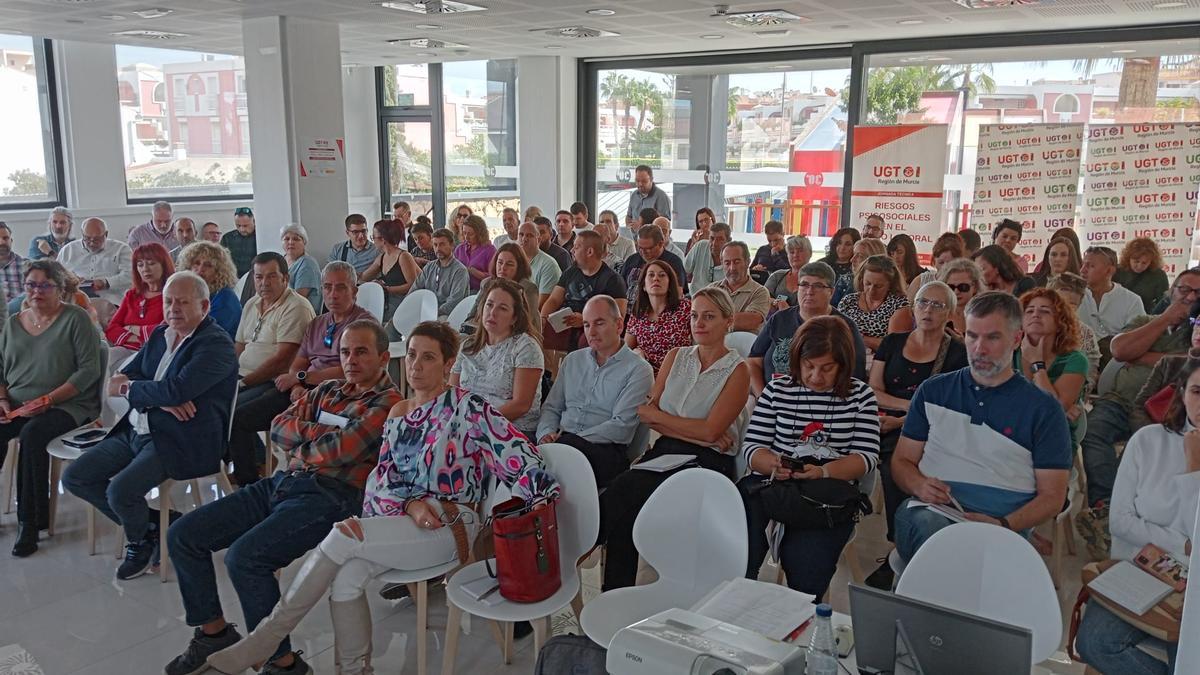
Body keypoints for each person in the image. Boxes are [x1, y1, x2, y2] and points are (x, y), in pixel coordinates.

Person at [203, 321, 557, 675]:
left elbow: (521, 458)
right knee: (346, 579)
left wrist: (534, 504)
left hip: (451, 524)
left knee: (344, 533)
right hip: (402, 522)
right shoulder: (399, 413)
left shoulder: (469, 409)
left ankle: (265, 638)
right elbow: (381, 479)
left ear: (449, 364)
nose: (415, 365)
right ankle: (354, 670)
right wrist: (410, 504)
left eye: (428, 357)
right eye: (413, 355)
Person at [162, 320, 402, 675]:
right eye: (346, 352)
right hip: (284, 482)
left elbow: (343, 449)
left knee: (246, 558)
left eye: (361, 352)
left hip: (331, 496)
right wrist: (318, 437)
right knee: (183, 534)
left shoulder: (389, 403)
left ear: (383, 358)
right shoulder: (328, 389)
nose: (351, 359)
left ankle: (283, 664)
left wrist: (306, 440)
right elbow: (278, 425)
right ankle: (213, 634)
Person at [62, 271, 238, 579]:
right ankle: (158, 525)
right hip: (138, 427)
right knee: (77, 476)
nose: (173, 309)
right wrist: (159, 396)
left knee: (120, 492)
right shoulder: (161, 333)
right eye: (169, 301)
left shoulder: (215, 345)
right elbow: (126, 375)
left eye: (183, 302)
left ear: (205, 307)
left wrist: (142, 391)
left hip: (182, 438)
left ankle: (139, 541)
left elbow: (165, 389)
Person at [890, 292, 1072, 563]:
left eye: (993, 337)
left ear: (1017, 339)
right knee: (936, 535)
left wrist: (1003, 524)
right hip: (932, 513)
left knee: (968, 557)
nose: (979, 348)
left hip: (1002, 525)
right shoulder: (934, 391)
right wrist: (918, 484)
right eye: (972, 336)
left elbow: (1052, 496)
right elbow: (902, 462)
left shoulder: (1043, 409)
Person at [597, 287, 750, 590]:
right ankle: (615, 593)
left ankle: (582, 545)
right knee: (625, 505)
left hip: (708, 464)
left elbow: (706, 432)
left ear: (728, 321)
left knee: (625, 490)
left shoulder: (737, 370)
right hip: (666, 451)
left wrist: (685, 427)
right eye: (694, 316)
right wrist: (699, 430)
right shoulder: (676, 357)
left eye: (709, 316)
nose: (699, 323)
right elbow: (645, 413)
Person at [740, 316, 880, 597]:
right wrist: (772, 465)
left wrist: (823, 472)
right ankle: (740, 597)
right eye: (809, 366)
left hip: (826, 491)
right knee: (737, 549)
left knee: (806, 569)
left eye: (827, 368)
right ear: (797, 360)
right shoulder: (778, 390)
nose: (816, 377)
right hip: (775, 481)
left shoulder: (860, 396)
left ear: (843, 365)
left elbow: (866, 458)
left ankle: (801, 622)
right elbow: (753, 448)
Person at [1074, 361, 1200, 675]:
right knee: (1094, 643)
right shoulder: (1148, 441)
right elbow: (1119, 522)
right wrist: (1181, 544)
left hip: (1194, 588)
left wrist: (1194, 468)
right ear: (1182, 393)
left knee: (1189, 661)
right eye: (1198, 391)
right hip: (1138, 571)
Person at [1075, 269, 1200, 559]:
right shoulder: (1148, 321)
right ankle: (1105, 510)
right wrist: (1165, 319)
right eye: (1184, 290)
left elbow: (1188, 360)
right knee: (1094, 433)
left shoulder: (1194, 331)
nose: (1190, 298)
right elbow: (1120, 350)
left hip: (1173, 423)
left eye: (1198, 294)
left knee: (1144, 453)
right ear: (1172, 291)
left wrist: (1143, 356)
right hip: (1124, 404)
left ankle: (1123, 519)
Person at [226, 262, 373, 486]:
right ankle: (250, 478)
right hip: (304, 390)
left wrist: (301, 379)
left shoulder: (364, 325)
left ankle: (297, 476)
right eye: (327, 287)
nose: (333, 294)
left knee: (274, 418)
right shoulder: (318, 323)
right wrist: (296, 385)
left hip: (339, 395)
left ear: (354, 290)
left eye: (341, 287)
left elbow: (350, 370)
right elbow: (299, 361)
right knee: (238, 416)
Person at [865, 281, 967, 589]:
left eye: (937, 306)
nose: (928, 310)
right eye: (923, 303)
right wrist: (908, 408)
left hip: (931, 427)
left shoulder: (957, 352)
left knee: (898, 460)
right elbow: (874, 389)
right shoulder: (893, 342)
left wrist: (907, 419)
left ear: (949, 313)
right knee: (875, 453)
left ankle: (900, 546)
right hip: (887, 418)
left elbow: (949, 406)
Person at [0, 259, 102, 557]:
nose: (36, 291)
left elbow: (88, 371)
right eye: (31, 284)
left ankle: (29, 523)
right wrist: (3, 401)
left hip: (68, 403)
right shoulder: (12, 322)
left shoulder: (76, 319)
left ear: (60, 289)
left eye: (45, 285)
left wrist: (47, 400)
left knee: (33, 435)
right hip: (18, 402)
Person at [538, 295, 653, 488]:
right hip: (562, 442)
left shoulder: (638, 370)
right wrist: (546, 434)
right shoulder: (573, 361)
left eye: (599, 323)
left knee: (545, 470)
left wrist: (567, 442)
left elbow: (621, 428)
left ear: (619, 325)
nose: (591, 332)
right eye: (586, 325)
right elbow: (551, 408)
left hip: (604, 450)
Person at [233, 253, 316, 463]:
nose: (264, 283)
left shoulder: (296, 306)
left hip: (275, 381)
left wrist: (242, 383)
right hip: (245, 377)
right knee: (214, 404)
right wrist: (230, 377)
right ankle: (255, 459)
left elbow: (282, 360)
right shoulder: (252, 303)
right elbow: (239, 346)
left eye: (271, 276)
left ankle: (249, 478)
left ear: (285, 279)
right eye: (259, 277)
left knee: (233, 413)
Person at [749, 261, 867, 396]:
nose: (809, 292)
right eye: (804, 284)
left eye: (818, 286)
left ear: (831, 292)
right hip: (773, 398)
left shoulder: (845, 327)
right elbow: (754, 361)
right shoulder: (779, 319)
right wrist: (762, 397)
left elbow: (855, 376)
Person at [451, 278, 545, 438]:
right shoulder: (467, 346)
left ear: (514, 318)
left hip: (511, 430)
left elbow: (521, 405)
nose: (492, 312)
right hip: (467, 425)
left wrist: (477, 422)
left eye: (502, 308)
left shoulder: (526, 347)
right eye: (489, 304)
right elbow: (452, 392)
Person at [1015, 288, 1089, 441]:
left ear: (1060, 321)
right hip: (1010, 433)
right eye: (1029, 311)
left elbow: (1052, 411)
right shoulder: (1008, 352)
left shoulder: (1075, 360)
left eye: (1045, 311)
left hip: (1053, 438)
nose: (1035, 314)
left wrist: (1037, 365)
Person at [540, 231, 627, 352]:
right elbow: (554, 300)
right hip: (565, 323)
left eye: (576, 247)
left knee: (586, 341)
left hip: (592, 327)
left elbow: (619, 315)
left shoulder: (613, 280)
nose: (571, 251)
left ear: (589, 252)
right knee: (539, 334)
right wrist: (543, 319)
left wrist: (586, 321)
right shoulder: (571, 272)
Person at [57, 217, 133, 325]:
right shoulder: (68, 250)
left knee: (93, 314)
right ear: (82, 234)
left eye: (97, 239)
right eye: (87, 238)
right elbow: (55, 277)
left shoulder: (121, 249)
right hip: (75, 299)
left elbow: (131, 276)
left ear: (106, 234)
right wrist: (71, 280)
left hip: (109, 299)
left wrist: (106, 282)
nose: (92, 243)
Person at [104, 242, 173, 353]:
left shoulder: (173, 296)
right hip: (125, 349)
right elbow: (112, 328)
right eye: (140, 265)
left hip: (155, 353)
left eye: (151, 263)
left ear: (164, 265)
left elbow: (166, 331)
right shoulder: (132, 295)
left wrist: (132, 329)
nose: (145, 269)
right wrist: (140, 338)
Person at [625, 259, 692, 374]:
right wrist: (637, 354)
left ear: (670, 284)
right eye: (651, 275)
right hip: (644, 374)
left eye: (662, 275)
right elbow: (626, 349)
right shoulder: (638, 313)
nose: (656, 278)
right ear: (644, 286)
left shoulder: (686, 308)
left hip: (678, 373)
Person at [838, 255, 913, 351]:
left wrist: (859, 338)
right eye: (868, 283)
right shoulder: (848, 301)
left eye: (878, 286)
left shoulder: (899, 304)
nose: (871, 290)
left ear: (890, 284)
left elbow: (894, 347)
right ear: (861, 280)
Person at [1078, 246, 1146, 352]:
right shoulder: (1072, 295)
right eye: (1083, 265)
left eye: (1090, 266)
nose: (1082, 270)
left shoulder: (1132, 301)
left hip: (1117, 359)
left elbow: (1137, 340)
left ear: (1109, 271)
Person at [464, 243, 541, 332]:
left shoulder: (528, 288)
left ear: (519, 267)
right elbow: (471, 316)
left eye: (509, 264)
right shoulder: (487, 283)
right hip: (483, 334)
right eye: (500, 263)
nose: (503, 268)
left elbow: (523, 325)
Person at [1049, 272, 1102, 391]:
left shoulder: (1086, 333)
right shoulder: (1032, 326)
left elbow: (1090, 376)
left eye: (1072, 304)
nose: (1065, 308)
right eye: (1060, 302)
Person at [359, 219, 419, 323]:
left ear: (383, 239)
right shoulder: (382, 257)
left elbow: (412, 285)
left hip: (405, 301)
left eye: (373, 237)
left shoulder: (404, 256)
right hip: (390, 300)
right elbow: (364, 277)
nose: (373, 241)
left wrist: (387, 289)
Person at [178, 241, 241, 338]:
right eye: (196, 263)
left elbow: (206, 334)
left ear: (219, 271)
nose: (200, 269)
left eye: (208, 265)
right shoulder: (192, 294)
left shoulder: (225, 297)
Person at [707, 241, 770, 333]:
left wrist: (712, 318)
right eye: (727, 263)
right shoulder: (711, 289)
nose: (732, 268)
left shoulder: (760, 292)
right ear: (722, 264)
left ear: (747, 262)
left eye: (736, 262)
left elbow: (750, 321)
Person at [621, 224, 688, 306]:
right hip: (630, 312)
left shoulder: (673, 262)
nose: (643, 252)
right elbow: (620, 288)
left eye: (648, 249)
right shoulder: (632, 260)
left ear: (660, 244)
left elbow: (678, 293)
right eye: (640, 248)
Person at [410, 227, 469, 319]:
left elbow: (454, 302)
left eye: (442, 244)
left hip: (447, 315)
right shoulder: (430, 267)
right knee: (395, 322)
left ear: (452, 245)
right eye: (435, 245)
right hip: (426, 311)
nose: (438, 248)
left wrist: (432, 313)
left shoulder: (460, 271)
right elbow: (414, 290)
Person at [1114, 237, 1170, 313]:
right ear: (1128, 258)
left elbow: (1162, 303)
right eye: (1136, 261)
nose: (1139, 266)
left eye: (1144, 263)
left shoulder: (1159, 275)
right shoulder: (1117, 271)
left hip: (1144, 317)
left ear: (1151, 262)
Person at [907, 232, 965, 304]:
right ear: (934, 261)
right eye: (941, 262)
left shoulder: (964, 285)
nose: (945, 267)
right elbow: (907, 309)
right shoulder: (921, 280)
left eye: (950, 263)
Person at [517, 220, 561, 310]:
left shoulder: (548, 265)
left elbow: (541, 305)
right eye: (521, 234)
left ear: (539, 240)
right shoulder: (514, 260)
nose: (524, 239)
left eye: (530, 235)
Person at [832, 237, 886, 308]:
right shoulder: (845, 281)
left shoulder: (887, 285)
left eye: (860, 256)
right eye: (854, 254)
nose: (852, 260)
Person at [764, 235, 813, 312]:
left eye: (800, 251)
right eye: (791, 252)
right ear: (787, 255)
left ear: (810, 253)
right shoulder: (777, 276)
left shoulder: (816, 279)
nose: (795, 255)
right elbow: (762, 298)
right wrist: (778, 303)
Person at [938, 257, 983, 340]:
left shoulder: (984, 315)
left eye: (963, 287)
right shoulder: (937, 314)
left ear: (975, 287)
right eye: (951, 287)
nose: (956, 292)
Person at [280, 224, 321, 314]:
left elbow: (297, 299)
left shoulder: (307, 264)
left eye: (296, 239)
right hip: (281, 309)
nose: (291, 242)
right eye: (286, 239)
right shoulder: (280, 260)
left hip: (299, 313)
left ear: (304, 242)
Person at [454, 214, 497, 292]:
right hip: (459, 289)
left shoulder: (490, 250)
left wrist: (475, 272)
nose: (466, 237)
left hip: (480, 291)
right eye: (464, 233)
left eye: (470, 234)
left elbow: (494, 277)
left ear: (479, 234)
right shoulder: (459, 249)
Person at [684, 221, 730, 290]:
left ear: (728, 241)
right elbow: (685, 268)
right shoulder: (701, 246)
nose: (714, 243)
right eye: (712, 238)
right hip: (696, 297)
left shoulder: (734, 256)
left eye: (720, 239)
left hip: (720, 299)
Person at [221, 207, 258, 279]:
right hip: (233, 277)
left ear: (254, 221)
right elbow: (221, 261)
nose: (242, 229)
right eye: (238, 225)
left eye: (245, 225)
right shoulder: (227, 238)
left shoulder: (260, 237)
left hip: (254, 276)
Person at [750, 219, 788, 284]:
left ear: (783, 234)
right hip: (762, 286)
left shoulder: (790, 251)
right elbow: (750, 271)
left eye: (776, 240)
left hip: (779, 286)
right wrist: (755, 269)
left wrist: (775, 255)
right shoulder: (762, 250)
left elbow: (787, 272)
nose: (773, 244)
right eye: (769, 241)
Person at [0, 222, 27, 316]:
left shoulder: (27, 265)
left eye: (5, 238)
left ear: (11, 241)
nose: (2, 242)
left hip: (22, 318)